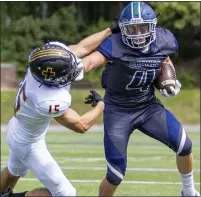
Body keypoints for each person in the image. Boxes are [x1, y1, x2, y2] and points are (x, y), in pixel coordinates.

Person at [81, 2, 200, 196]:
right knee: (115, 174)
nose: (138, 34)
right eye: (132, 29)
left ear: (152, 26)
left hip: (147, 107)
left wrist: (170, 79)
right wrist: (78, 68)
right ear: (123, 29)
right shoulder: (115, 43)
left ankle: (188, 192)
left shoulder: (164, 40)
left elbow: (164, 58)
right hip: (118, 111)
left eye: (142, 28)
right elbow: (92, 60)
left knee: (184, 146)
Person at [0, 23, 120, 197]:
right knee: (66, 194)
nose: (73, 69)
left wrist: (110, 30)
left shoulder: (42, 65)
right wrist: (102, 104)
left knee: (12, 172)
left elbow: (82, 48)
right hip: (29, 144)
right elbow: (81, 125)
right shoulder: (48, 100)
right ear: (54, 81)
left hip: (17, 129)